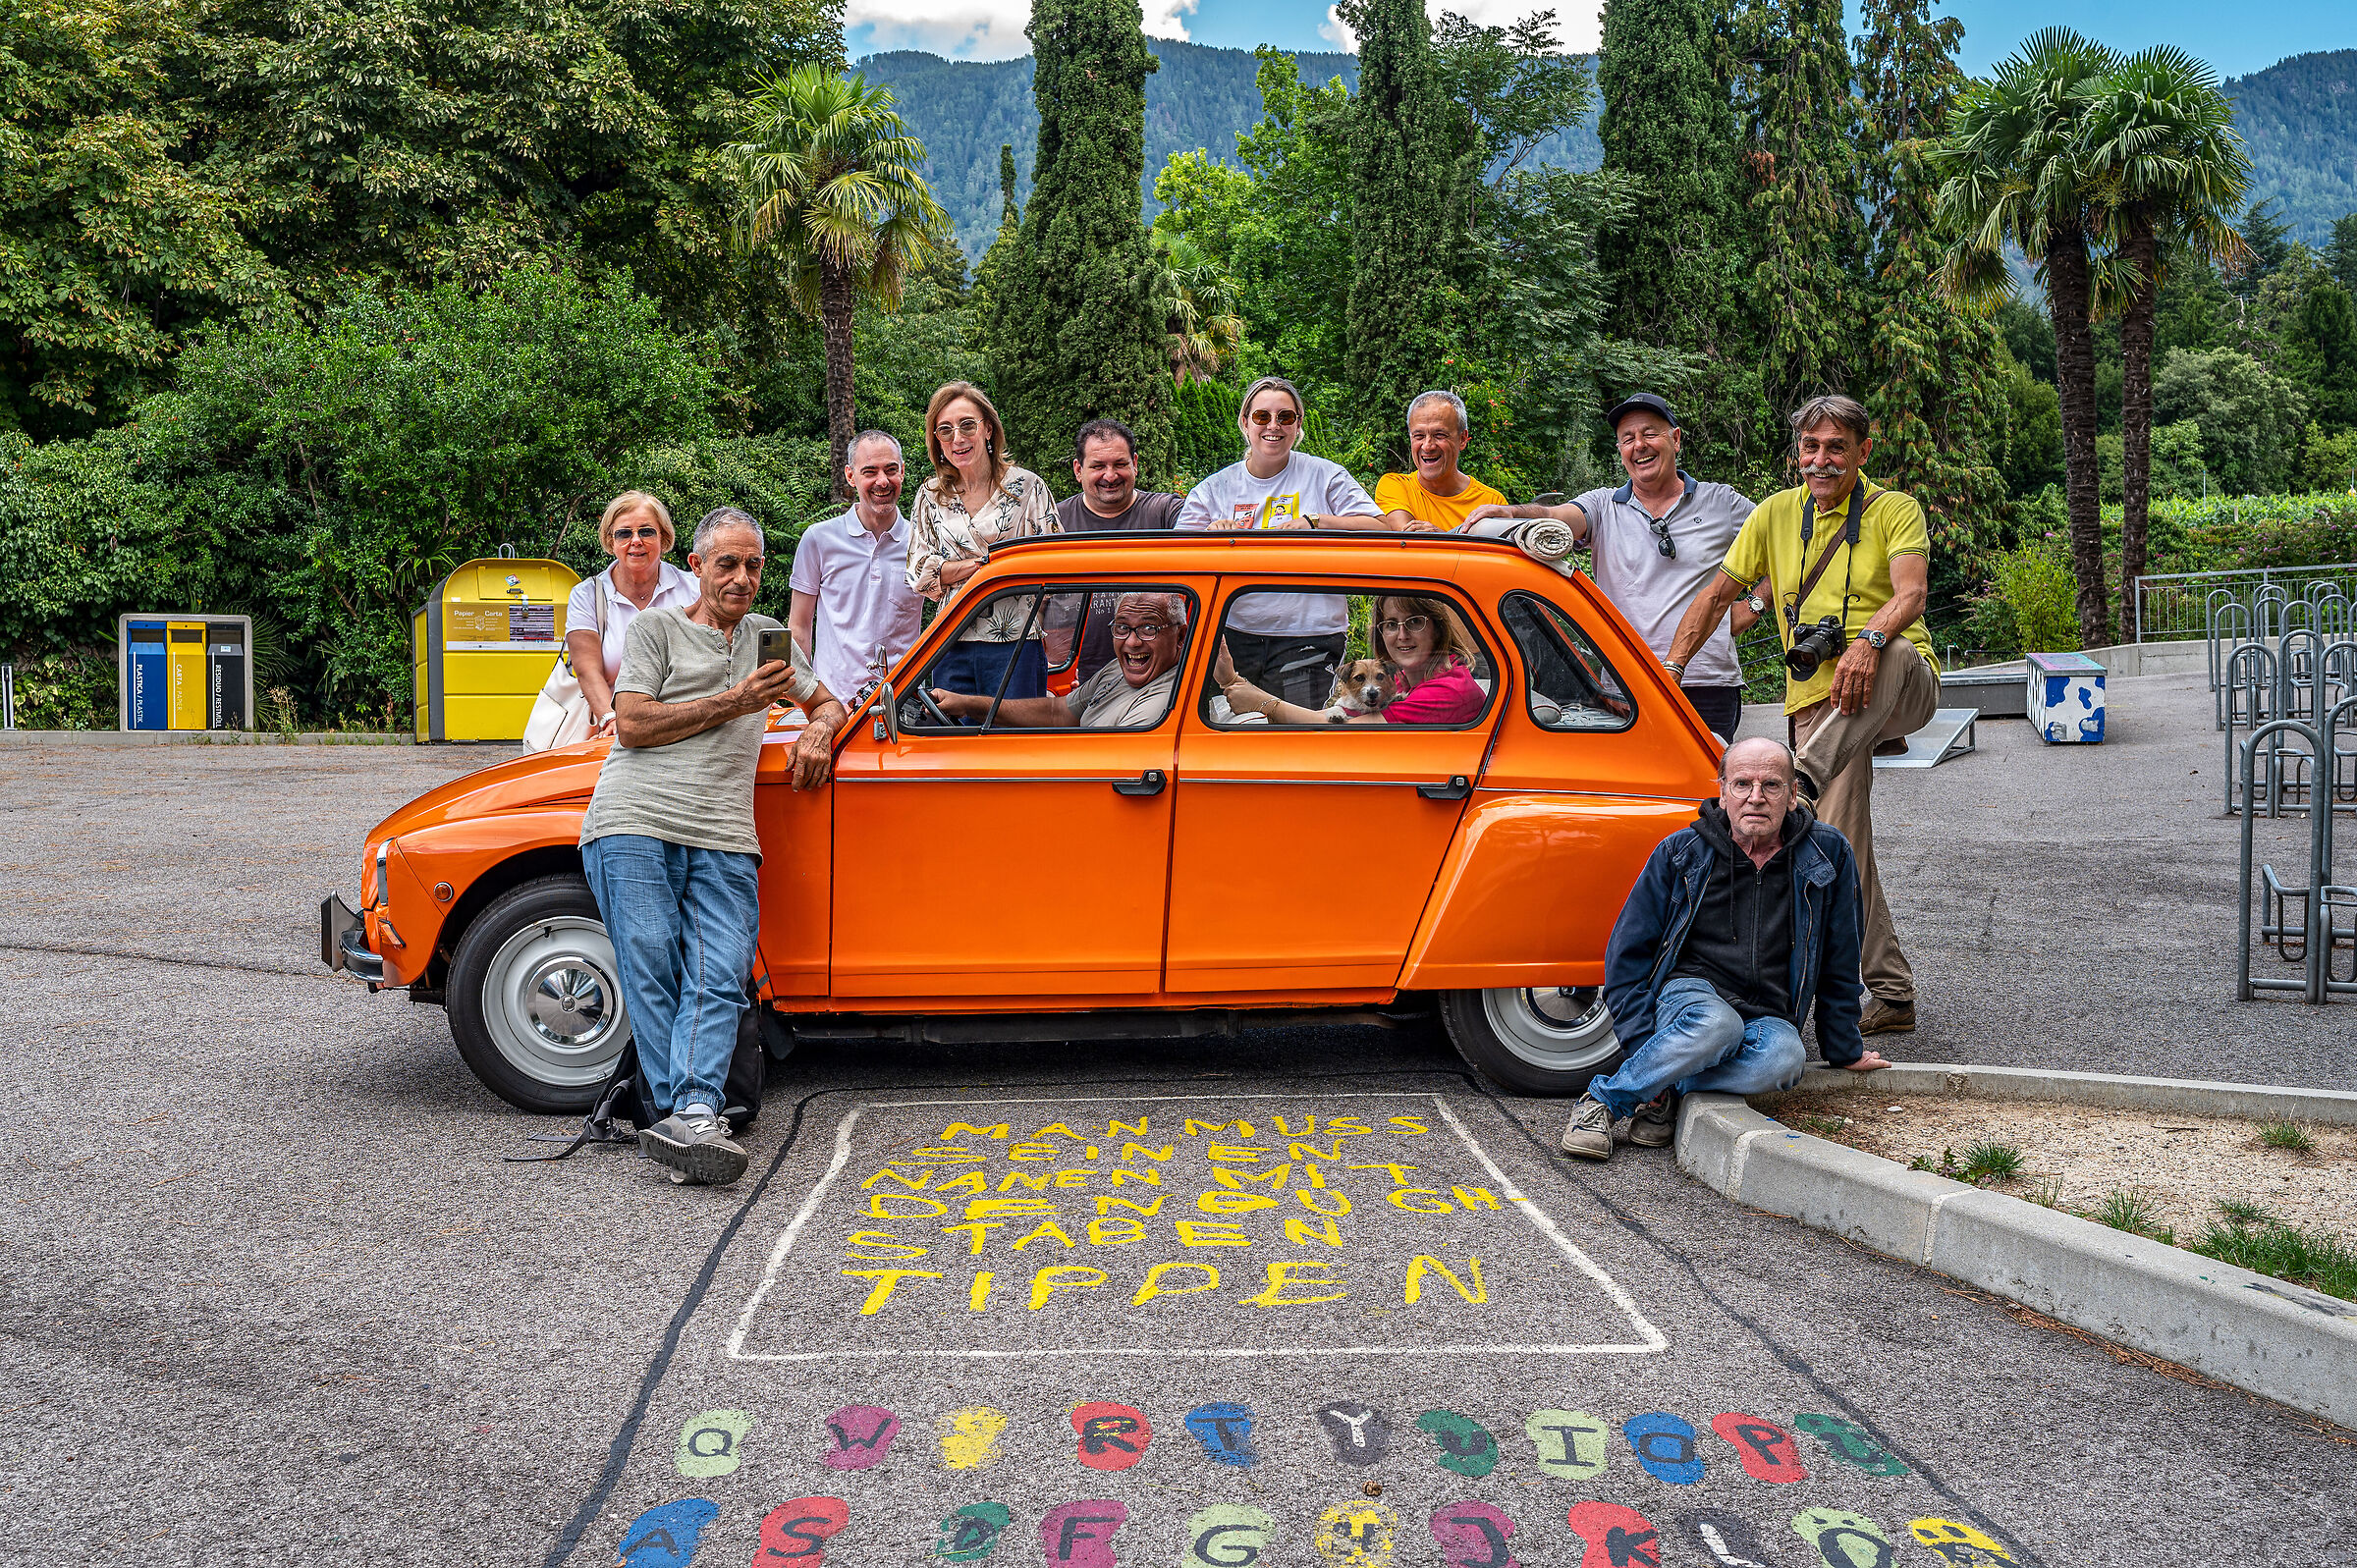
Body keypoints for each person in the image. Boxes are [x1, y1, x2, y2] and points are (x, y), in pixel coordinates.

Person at [578, 507, 848, 1187]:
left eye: (753, 564)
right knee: (653, 968)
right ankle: (694, 1115)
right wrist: (737, 701)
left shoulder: (768, 639)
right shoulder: (657, 628)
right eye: (727, 563)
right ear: (695, 567)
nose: (742, 578)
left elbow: (829, 701)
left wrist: (818, 731)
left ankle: (684, 1119)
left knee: (721, 974)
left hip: (725, 831)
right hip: (635, 818)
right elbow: (632, 723)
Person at [1664, 394, 1939, 1039]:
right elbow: (1717, 597)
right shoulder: (1775, 514)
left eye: (1836, 447)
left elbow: (1912, 593)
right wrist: (1669, 672)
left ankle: (1800, 778)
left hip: (1900, 683)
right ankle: (1891, 991)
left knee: (1892, 647)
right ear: (1797, 454)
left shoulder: (1894, 509)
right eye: (1810, 447)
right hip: (1821, 707)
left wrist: (1867, 641)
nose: (1821, 459)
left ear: (1863, 451)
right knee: (1839, 846)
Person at [1560, 736, 1891, 1162]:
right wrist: (1643, 1042)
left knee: (1785, 1059)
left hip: (1769, 1011)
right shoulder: (1682, 852)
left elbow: (1840, 957)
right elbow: (1626, 959)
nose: (1756, 797)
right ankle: (1604, 1101)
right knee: (1719, 1025)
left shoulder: (1828, 853)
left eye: (1771, 785)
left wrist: (1844, 1047)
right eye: (1742, 784)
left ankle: (1665, 1091)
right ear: (1722, 792)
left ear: (1793, 795)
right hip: (1691, 995)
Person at [1464, 393, 1757, 740]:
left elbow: (1782, 545)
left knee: (1710, 777)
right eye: (1627, 438)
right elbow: (1556, 517)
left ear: (1675, 439)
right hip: (1626, 686)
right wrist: (1512, 513)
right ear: (1620, 450)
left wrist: (1755, 605)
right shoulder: (1603, 506)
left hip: (1707, 683)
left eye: (1650, 433)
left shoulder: (1721, 502)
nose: (1639, 445)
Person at [1177, 376, 1382, 706]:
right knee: (1228, 729)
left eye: (1285, 417)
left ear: (1298, 424)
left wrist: (1316, 521)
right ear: (1245, 422)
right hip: (1232, 634)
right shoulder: (1215, 488)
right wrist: (1210, 537)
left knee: (1290, 732)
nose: (1273, 425)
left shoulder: (1324, 475)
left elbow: (1379, 527)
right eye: (1262, 416)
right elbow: (1177, 557)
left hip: (1309, 636)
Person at [905, 381, 1061, 705]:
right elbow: (917, 573)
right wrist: (985, 566)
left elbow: (1056, 564)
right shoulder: (931, 495)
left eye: (967, 425)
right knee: (952, 735)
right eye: (945, 430)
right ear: (937, 440)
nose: (957, 438)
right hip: (950, 641)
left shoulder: (1027, 488)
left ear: (988, 429)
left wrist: (949, 571)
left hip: (1017, 641)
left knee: (1016, 735)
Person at [790, 430, 924, 707]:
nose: (882, 481)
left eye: (890, 470)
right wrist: (804, 701)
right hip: (832, 705)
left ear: (902, 472)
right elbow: (799, 626)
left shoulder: (921, 542)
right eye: (870, 472)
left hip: (903, 704)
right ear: (850, 476)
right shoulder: (819, 539)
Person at [1216, 594, 1485, 726]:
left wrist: (1263, 703)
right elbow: (1329, 717)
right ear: (1381, 633)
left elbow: (1339, 731)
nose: (1402, 635)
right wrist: (1233, 681)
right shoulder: (1405, 678)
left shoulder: (1446, 691)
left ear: (1437, 628)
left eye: (1414, 622)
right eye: (1391, 624)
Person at [932, 592, 1188, 729]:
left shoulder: (1163, 700)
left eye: (1148, 629)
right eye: (1122, 628)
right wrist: (966, 704)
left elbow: (1106, 773)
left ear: (1180, 637)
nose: (1132, 642)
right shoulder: (1118, 671)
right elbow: (1057, 712)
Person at [1054, 419, 1183, 681]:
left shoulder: (1165, 513)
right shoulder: (1055, 522)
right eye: (1098, 466)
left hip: (1154, 678)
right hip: (1072, 678)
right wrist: (1049, 668)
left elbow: (1207, 529)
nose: (1110, 476)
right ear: (1078, 470)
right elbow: (1036, 603)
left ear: (1135, 464)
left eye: (1120, 464)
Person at [567, 492, 701, 738]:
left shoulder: (694, 589)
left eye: (646, 532)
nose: (636, 540)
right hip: (614, 733)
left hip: (687, 728)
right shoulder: (587, 596)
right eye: (624, 533)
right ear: (611, 541)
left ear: (664, 537)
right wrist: (611, 719)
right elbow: (587, 670)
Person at [1373, 391, 1507, 532]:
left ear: (1462, 439)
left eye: (1439, 435)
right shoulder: (1396, 486)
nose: (1427, 446)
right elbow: (1407, 538)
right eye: (1419, 436)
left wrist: (1440, 536)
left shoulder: (1491, 503)